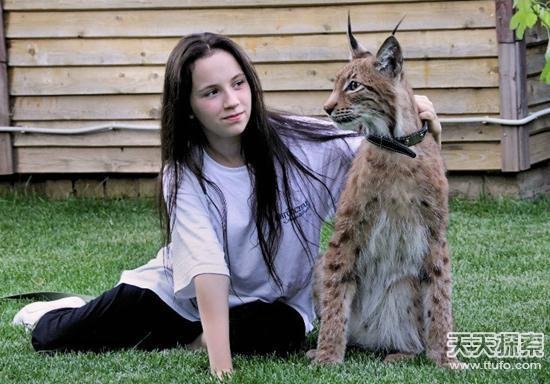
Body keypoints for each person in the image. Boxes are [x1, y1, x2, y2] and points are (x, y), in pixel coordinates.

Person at [12, 32, 442, 378]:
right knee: (56, 338)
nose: (232, 101)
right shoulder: (184, 174)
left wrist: (417, 106)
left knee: (283, 334)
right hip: (176, 296)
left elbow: (390, 138)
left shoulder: (307, 144)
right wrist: (222, 369)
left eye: (238, 84)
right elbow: (208, 272)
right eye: (211, 92)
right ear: (189, 108)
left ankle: (188, 337)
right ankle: (64, 308)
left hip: (267, 308)